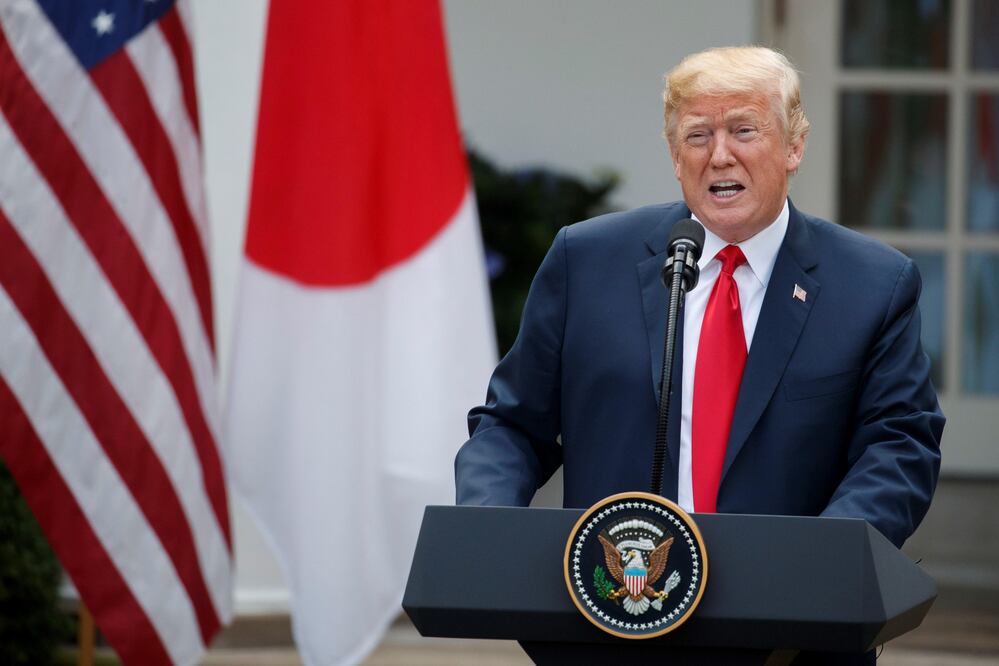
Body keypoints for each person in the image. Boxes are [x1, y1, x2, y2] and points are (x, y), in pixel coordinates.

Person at [455, 46, 944, 552]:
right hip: (616, 599)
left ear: (794, 146)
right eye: (698, 136)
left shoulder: (872, 285)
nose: (720, 155)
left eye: (744, 130)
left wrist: (827, 558)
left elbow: (899, 445)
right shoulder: (585, 261)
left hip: (785, 605)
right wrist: (485, 526)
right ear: (674, 156)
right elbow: (512, 425)